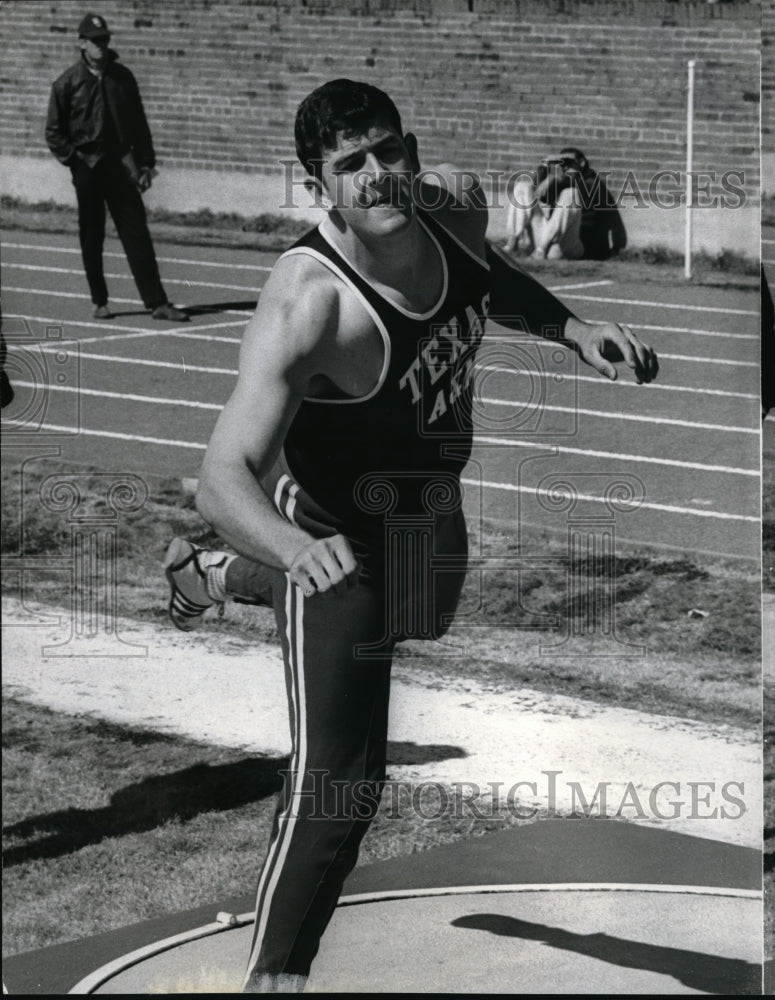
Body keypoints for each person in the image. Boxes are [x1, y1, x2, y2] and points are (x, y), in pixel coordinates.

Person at [164, 79, 658, 993]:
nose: (377, 177)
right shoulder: (309, 304)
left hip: (426, 511)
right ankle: (275, 975)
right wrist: (290, 548)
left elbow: (486, 276)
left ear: (413, 149)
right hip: (330, 537)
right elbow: (219, 477)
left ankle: (217, 576)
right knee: (340, 786)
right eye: (349, 165)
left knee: (425, 617)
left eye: (388, 151)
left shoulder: (453, 205)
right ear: (317, 186)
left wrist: (571, 327)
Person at [45, 12, 187, 322]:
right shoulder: (67, 83)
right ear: (82, 43)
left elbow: (139, 123)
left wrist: (146, 163)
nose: (102, 46)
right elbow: (54, 132)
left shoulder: (122, 78)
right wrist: (74, 160)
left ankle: (157, 302)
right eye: (95, 41)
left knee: (136, 232)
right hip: (87, 165)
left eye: (105, 40)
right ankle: (99, 300)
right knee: (92, 234)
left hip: (120, 166)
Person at [503, 155, 585, 260]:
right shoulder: (552, 179)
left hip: (565, 242)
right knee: (523, 187)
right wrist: (546, 171)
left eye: (568, 165)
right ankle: (513, 242)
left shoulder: (585, 184)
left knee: (570, 194)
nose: (564, 168)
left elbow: (574, 183)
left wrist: (558, 176)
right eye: (562, 164)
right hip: (544, 236)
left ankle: (540, 251)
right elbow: (537, 193)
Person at [558, 147, 627, 260]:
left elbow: (615, 221)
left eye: (569, 163)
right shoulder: (569, 184)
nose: (564, 168)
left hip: (587, 245)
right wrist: (543, 169)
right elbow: (542, 197)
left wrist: (616, 249)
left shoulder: (592, 184)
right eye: (562, 164)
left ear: (581, 163)